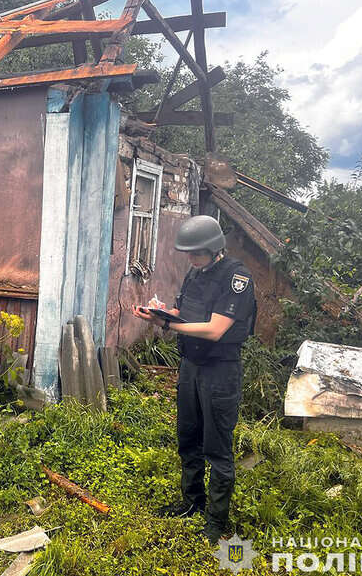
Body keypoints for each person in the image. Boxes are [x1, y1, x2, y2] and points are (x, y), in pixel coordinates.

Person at [132, 214, 256, 544]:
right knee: (188, 436)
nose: (190, 258)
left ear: (214, 249)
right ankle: (191, 501)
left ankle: (215, 520)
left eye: (196, 252)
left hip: (220, 370)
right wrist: (161, 315)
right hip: (191, 365)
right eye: (188, 253)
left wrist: (170, 325)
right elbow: (185, 315)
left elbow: (215, 329)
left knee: (217, 446)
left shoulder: (236, 278)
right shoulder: (195, 273)